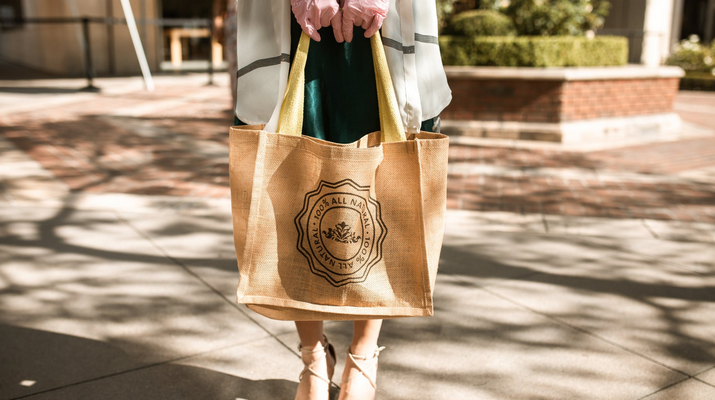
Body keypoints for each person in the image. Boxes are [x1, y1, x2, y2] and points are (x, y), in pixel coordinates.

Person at [234, 1, 451, 399]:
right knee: (288, 189)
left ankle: (363, 357)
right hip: (290, 18)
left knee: (386, 190)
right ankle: (314, 356)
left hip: (380, 24)